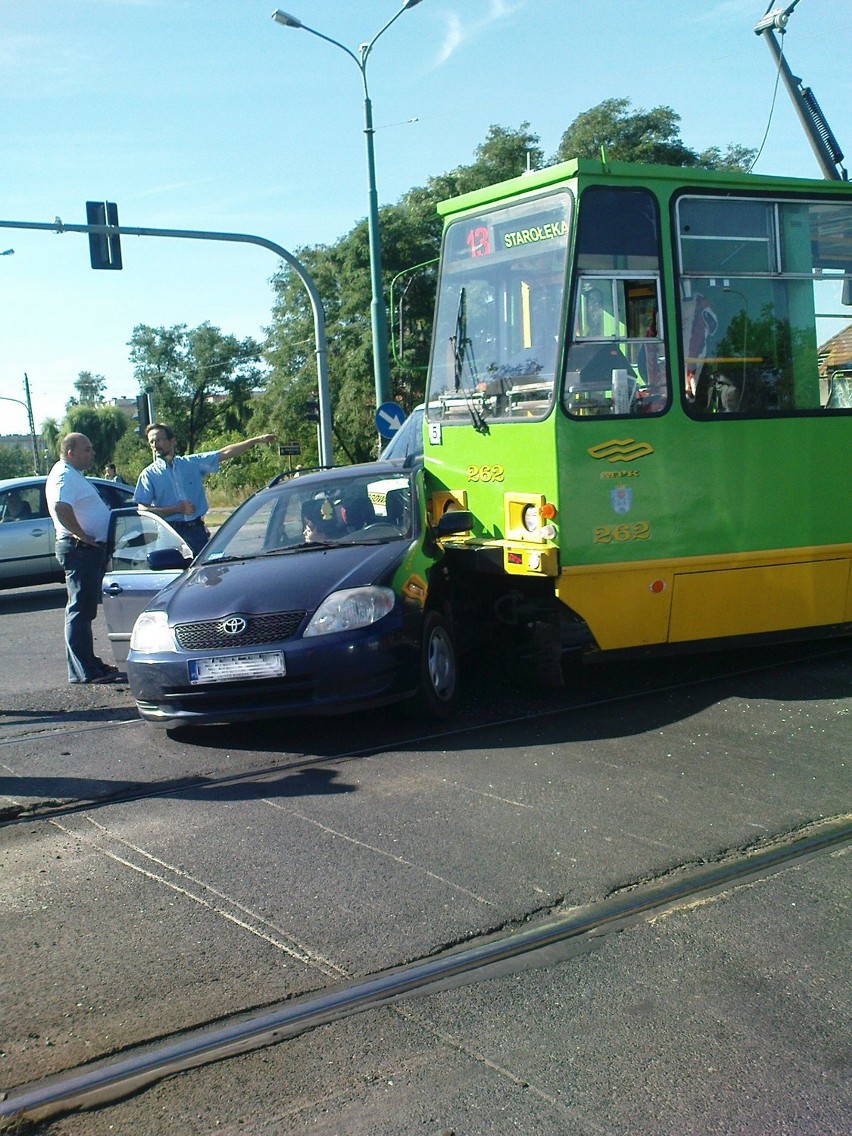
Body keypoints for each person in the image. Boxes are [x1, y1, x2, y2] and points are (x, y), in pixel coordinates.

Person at [134, 423, 277, 556]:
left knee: (208, 576)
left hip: (197, 532)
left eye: (159, 440)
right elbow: (142, 509)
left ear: (172, 441)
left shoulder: (191, 464)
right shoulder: (149, 475)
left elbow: (225, 453)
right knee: (175, 576)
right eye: (151, 442)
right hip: (170, 534)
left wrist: (255, 440)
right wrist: (175, 509)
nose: (155, 445)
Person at [45, 433, 119, 684]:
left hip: (86, 549)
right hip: (80, 549)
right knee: (79, 609)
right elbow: (61, 507)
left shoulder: (71, 474)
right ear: (70, 453)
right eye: (87, 449)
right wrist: (82, 535)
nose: (92, 453)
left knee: (84, 609)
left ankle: (87, 663)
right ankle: (84, 670)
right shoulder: (65, 476)